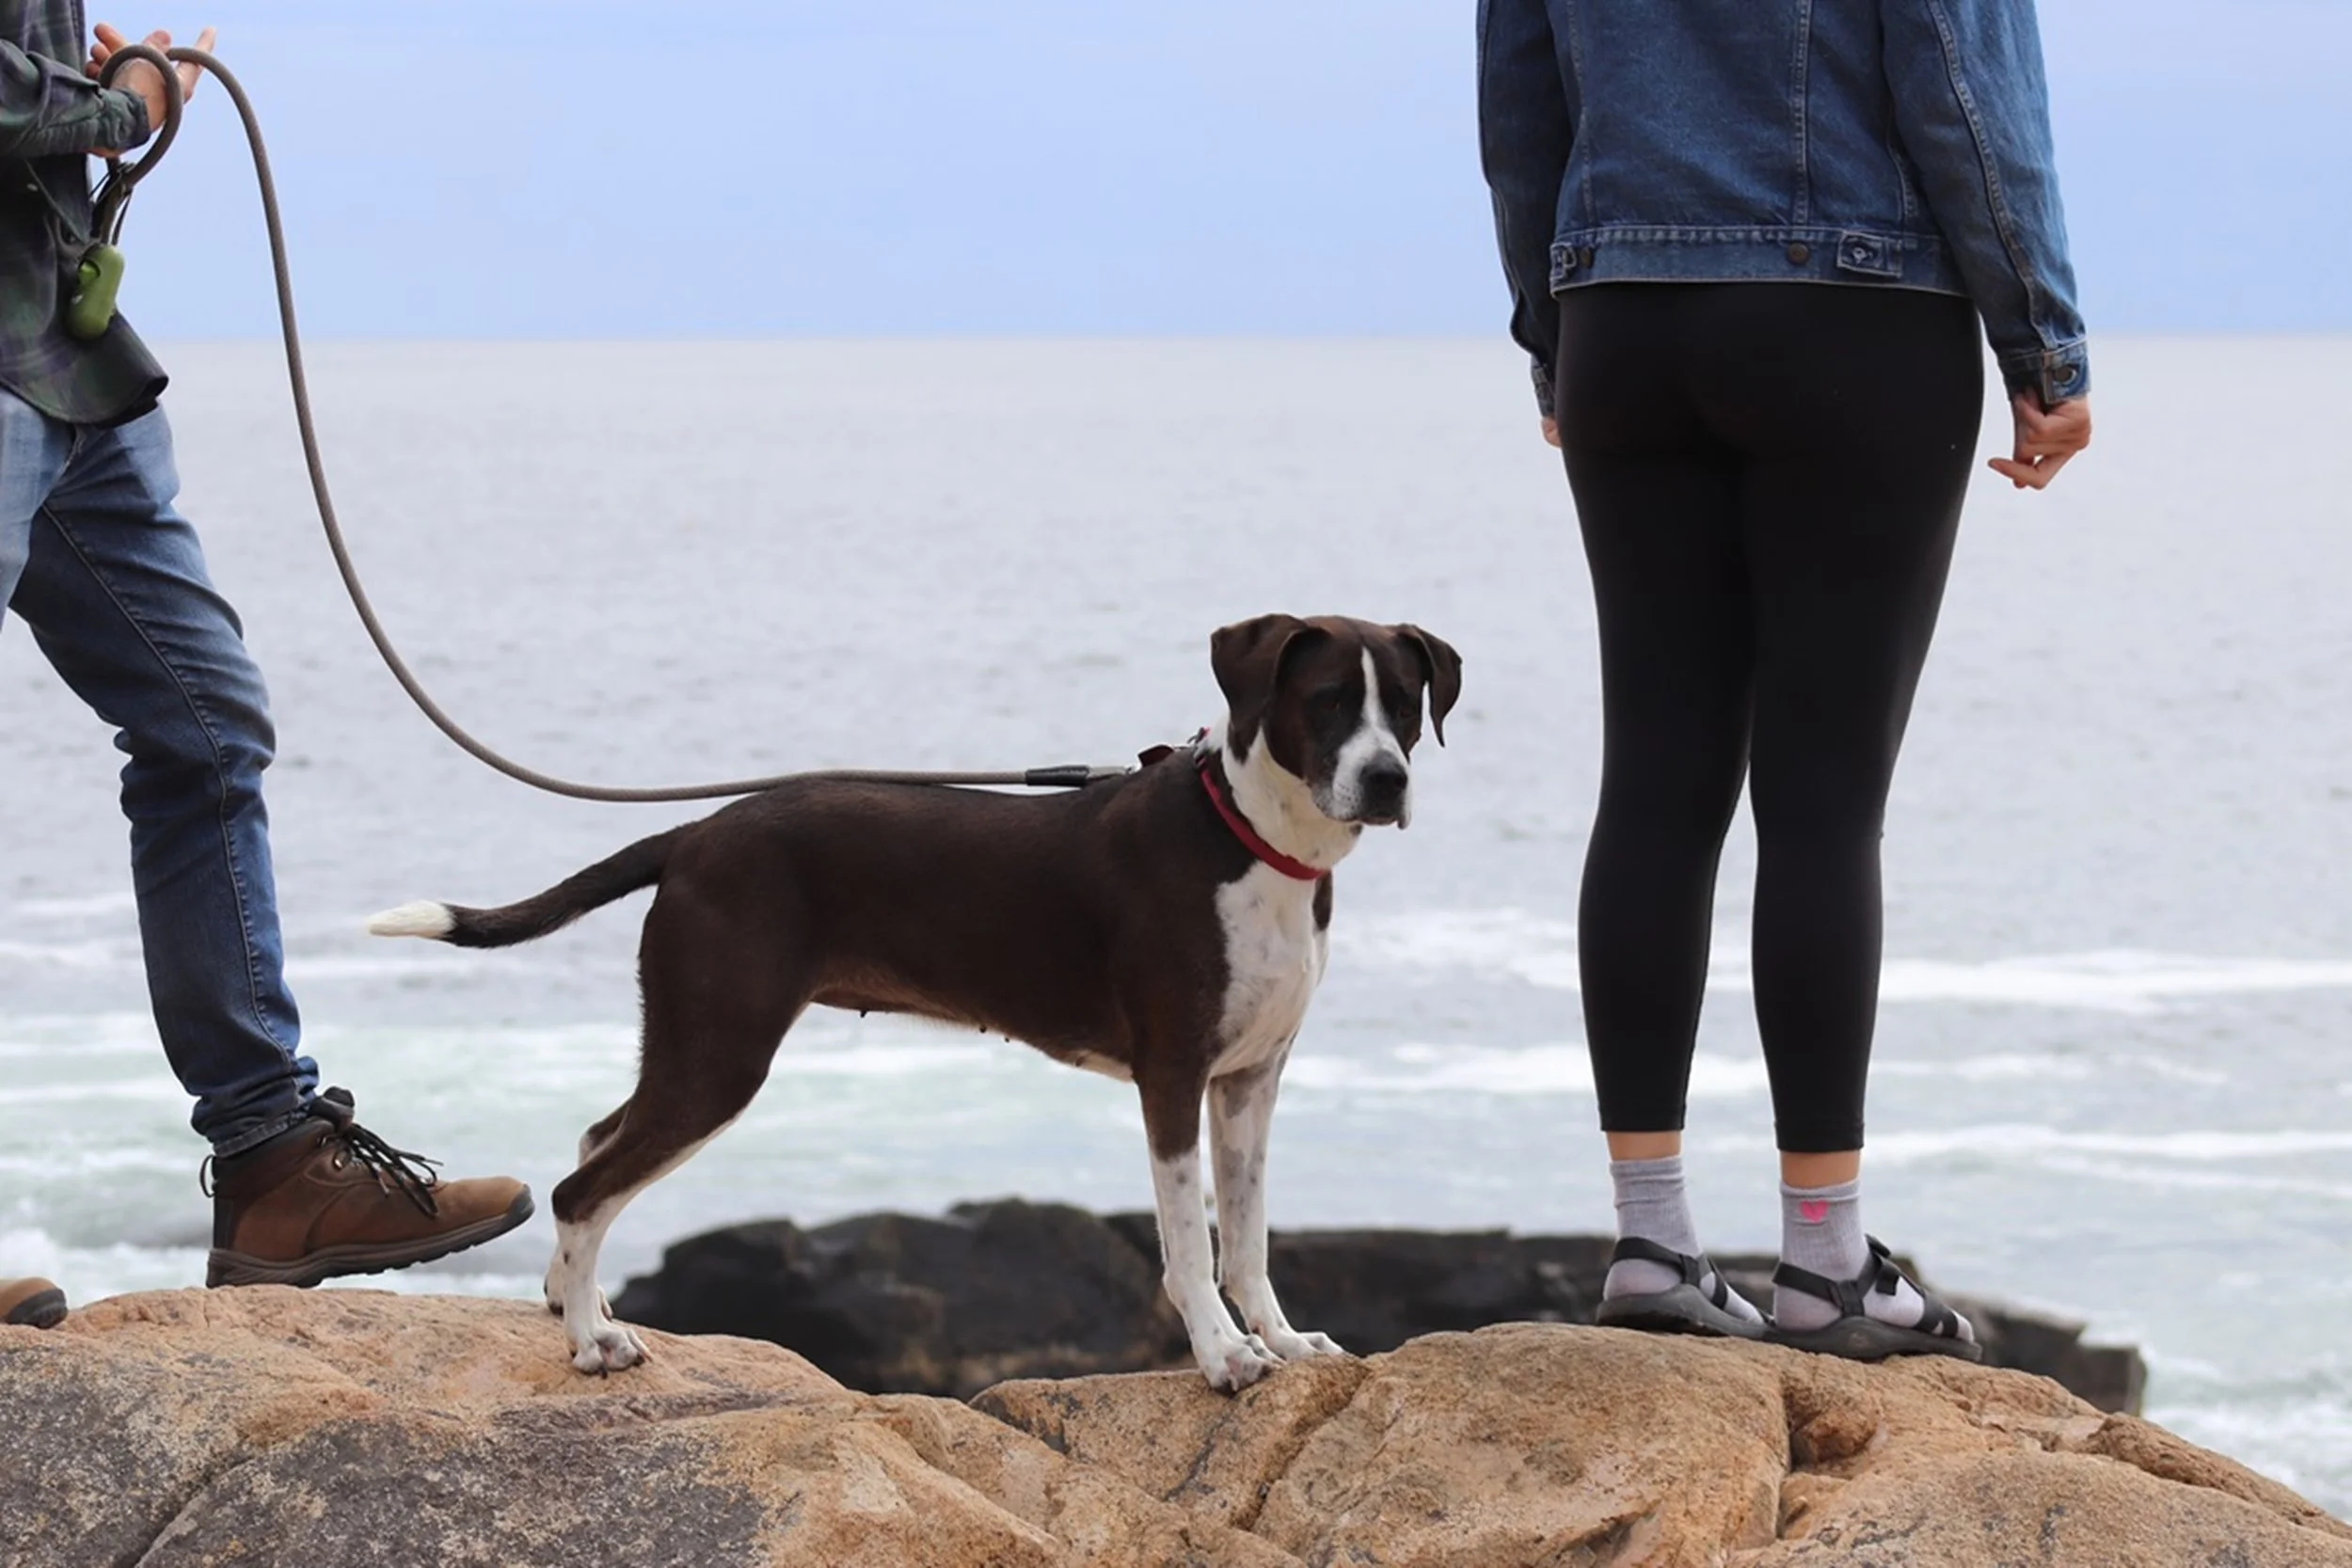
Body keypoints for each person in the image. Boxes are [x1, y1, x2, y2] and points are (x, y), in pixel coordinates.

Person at [1477, 0, 2092, 1358]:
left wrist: (1554, 330)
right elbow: (1963, 82)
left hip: (1622, 323)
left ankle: (1651, 1244)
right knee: (1820, 802)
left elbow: (1520, 105)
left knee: (1654, 781)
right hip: (1854, 318)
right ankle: (1823, 1261)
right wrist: (2042, 347)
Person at [0, 8, 532, 1327]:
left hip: (53, 362)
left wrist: (90, 85)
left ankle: (275, 1167)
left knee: (206, 721)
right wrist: (126, 97)